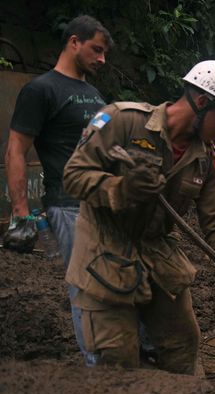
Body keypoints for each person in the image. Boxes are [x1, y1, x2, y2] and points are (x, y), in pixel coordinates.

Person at [62, 60, 215, 374]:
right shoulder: (121, 120)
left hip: (159, 253)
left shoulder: (206, 157)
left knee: (184, 349)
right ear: (202, 102)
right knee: (117, 361)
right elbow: (74, 176)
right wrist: (121, 189)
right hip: (105, 252)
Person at [2, 15, 113, 361]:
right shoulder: (41, 89)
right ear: (73, 42)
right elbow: (16, 150)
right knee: (86, 289)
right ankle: (97, 367)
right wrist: (20, 214)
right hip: (67, 206)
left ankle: (119, 357)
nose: (102, 60)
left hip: (104, 202)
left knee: (114, 282)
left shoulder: (94, 94)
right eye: (96, 50)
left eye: (105, 53)